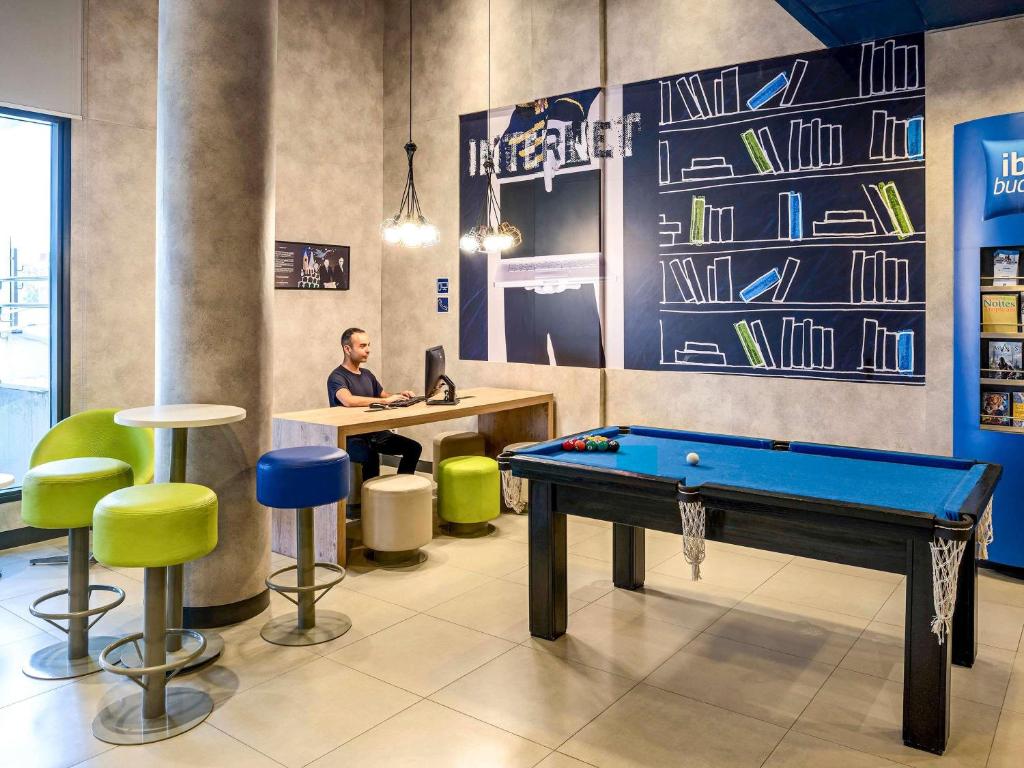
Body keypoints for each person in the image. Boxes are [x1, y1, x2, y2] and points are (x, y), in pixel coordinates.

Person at [327, 327, 422, 479]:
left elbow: (384, 395)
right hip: (351, 438)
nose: (368, 350)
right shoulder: (337, 377)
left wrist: (400, 395)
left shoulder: (367, 374)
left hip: (376, 433)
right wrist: (384, 401)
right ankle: (370, 501)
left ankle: (401, 490)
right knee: (371, 456)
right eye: (362, 346)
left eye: (368, 345)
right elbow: (348, 400)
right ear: (347, 349)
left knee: (414, 448)